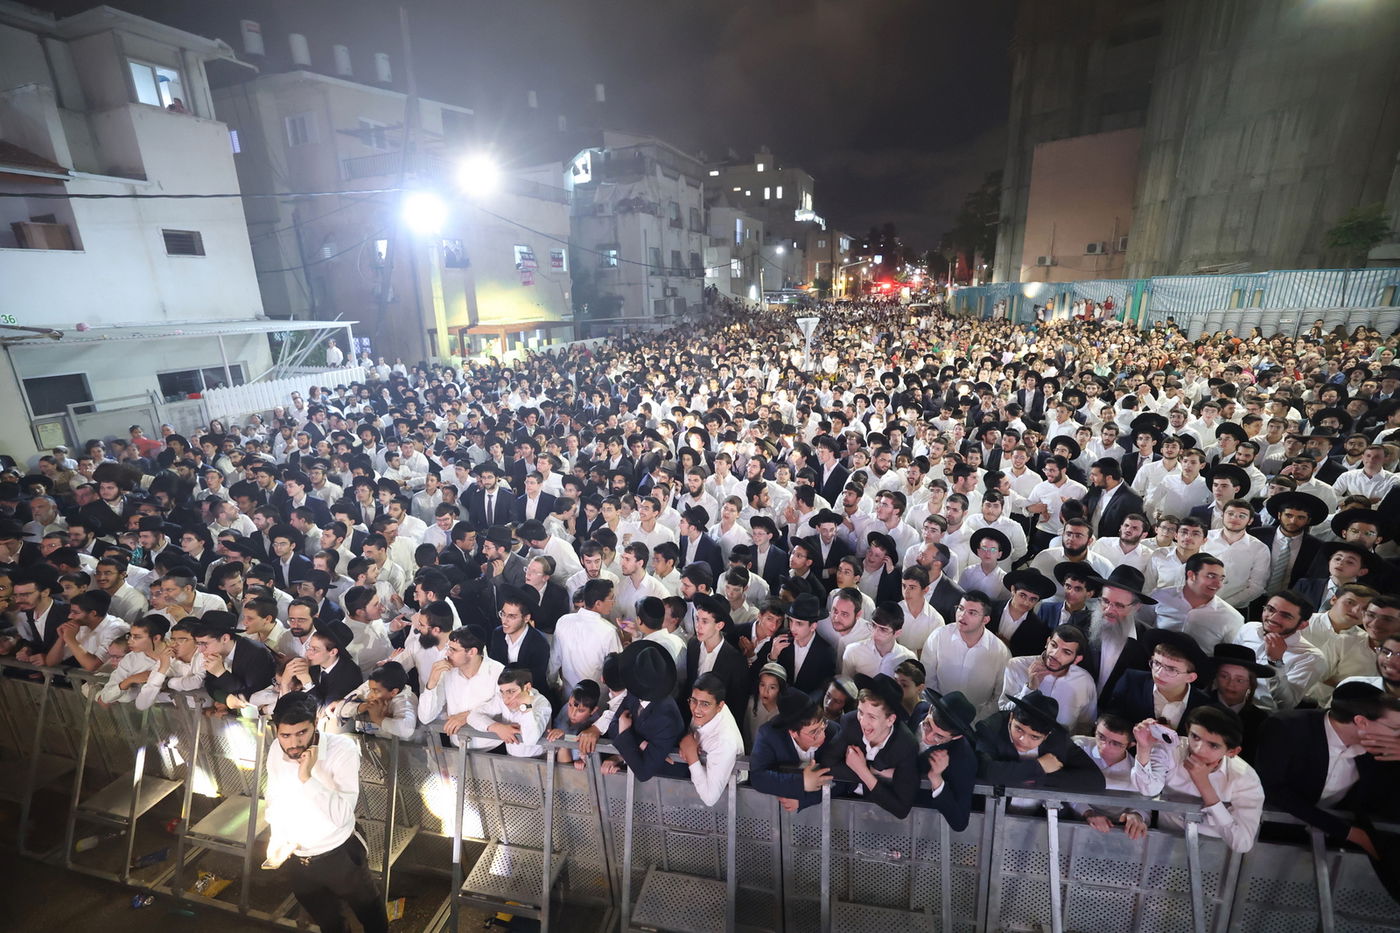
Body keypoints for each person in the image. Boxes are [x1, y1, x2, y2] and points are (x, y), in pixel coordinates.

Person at [263, 692, 388, 933]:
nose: (293, 743)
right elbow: (273, 795)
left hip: (340, 853)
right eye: (285, 735)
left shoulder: (342, 750)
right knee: (328, 922)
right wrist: (277, 835)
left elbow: (342, 815)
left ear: (316, 723)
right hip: (297, 855)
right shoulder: (276, 749)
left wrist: (307, 777)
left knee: (369, 912)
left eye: (302, 733)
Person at [1253, 681, 1400, 858]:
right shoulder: (1286, 728)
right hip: (1270, 834)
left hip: (1337, 845)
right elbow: (1272, 789)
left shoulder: (1385, 749)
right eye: (1396, 729)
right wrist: (1348, 832)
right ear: (1361, 722)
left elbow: (1390, 803)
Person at [1130, 706, 1264, 853]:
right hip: (1165, 841)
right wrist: (1143, 747)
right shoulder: (1173, 749)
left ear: (1232, 751)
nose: (1199, 749)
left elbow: (1242, 843)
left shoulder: (1245, 777)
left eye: (1213, 745)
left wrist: (1203, 784)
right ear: (1188, 730)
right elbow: (1148, 789)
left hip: (1216, 852)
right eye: (1195, 737)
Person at [818, 673, 921, 818]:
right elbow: (827, 763)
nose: (863, 722)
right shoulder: (850, 722)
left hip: (883, 815)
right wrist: (872, 771)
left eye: (872, 717)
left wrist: (862, 770)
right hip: (846, 800)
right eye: (861, 712)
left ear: (890, 720)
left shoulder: (906, 745)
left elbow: (901, 809)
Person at [974, 690, 1106, 794]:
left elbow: (1096, 782)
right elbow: (985, 770)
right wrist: (1039, 767)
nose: (1023, 740)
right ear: (1011, 718)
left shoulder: (1058, 739)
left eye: (1034, 737)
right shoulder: (991, 728)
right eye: (1018, 729)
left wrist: (1035, 778)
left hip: (1042, 811)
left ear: (1047, 735)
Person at [1000, 624, 1098, 733]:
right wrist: (1030, 689)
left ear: (1077, 659)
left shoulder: (1085, 681)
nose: (1055, 654)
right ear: (1047, 642)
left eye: (1066, 652)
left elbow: (1085, 725)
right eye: (1054, 645)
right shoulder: (1017, 666)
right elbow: (1003, 712)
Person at [748, 691, 836, 812]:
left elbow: (845, 782)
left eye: (822, 726)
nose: (822, 735)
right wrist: (801, 782)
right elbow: (758, 777)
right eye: (814, 732)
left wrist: (804, 799)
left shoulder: (833, 731)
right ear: (793, 733)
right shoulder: (768, 735)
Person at [418, 627, 504, 744]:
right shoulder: (445, 672)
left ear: (472, 652)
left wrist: (468, 716)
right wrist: (431, 682)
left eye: (453, 649)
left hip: (492, 748)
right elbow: (425, 717)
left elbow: (503, 704)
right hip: (456, 748)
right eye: (448, 648)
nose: (447, 653)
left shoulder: (498, 672)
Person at [672, 671, 744, 806]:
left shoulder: (724, 741)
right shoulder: (707, 709)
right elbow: (691, 736)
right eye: (693, 701)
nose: (696, 709)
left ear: (720, 706)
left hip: (731, 801)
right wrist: (688, 741)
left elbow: (710, 798)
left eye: (705, 704)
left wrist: (691, 755)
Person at [917, 690, 979, 831]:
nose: (928, 737)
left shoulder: (963, 759)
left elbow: (960, 821)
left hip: (922, 822)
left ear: (956, 737)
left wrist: (936, 778)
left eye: (939, 737)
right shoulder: (919, 710)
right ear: (930, 709)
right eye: (927, 725)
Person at [467, 666, 552, 757]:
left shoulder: (542, 703)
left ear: (527, 688)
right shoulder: (500, 698)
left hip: (538, 759)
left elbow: (530, 740)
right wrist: (497, 728)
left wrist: (526, 706)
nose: (505, 699)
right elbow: (472, 716)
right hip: (510, 757)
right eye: (502, 692)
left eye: (511, 691)